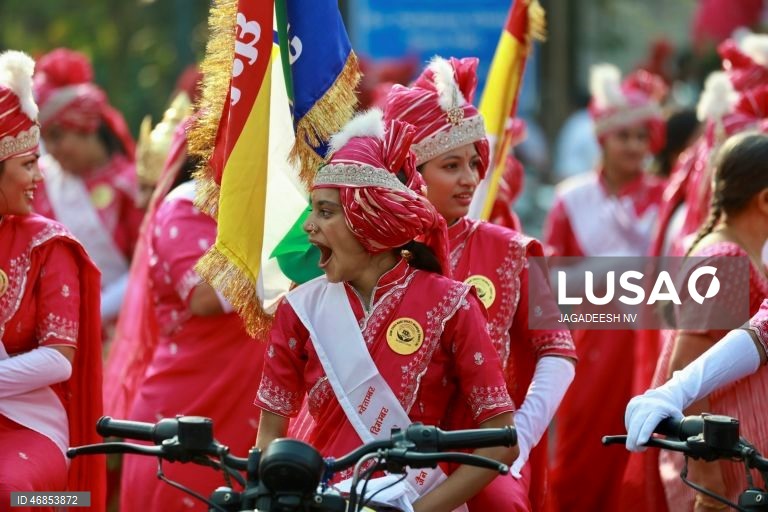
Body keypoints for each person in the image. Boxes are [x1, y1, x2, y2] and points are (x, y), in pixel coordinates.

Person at [254, 109, 518, 512]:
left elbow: (501, 441)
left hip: (418, 500)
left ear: (370, 222)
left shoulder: (452, 305)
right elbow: (269, 435)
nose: (309, 228)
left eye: (325, 212)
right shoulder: (300, 308)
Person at [383, 56, 576, 512]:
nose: (471, 179)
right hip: (374, 436)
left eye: (474, 163)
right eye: (451, 166)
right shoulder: (370, 247)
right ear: (411, 171)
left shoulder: (511, 249)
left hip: (476, 447)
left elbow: (559, 351)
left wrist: (518, 439)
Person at [100, 117, 266, 511]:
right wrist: (279, 249)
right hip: (190, 410)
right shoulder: (187, 206)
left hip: (248, 407)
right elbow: (204, 296)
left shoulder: (262, 206)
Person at [543, 63, 667, 512]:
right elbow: (550, 281)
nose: (634, 146)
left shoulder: (667, 196)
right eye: (624, 136)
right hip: (590, 341)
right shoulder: (571, 198)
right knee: (583, 446)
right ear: (602, 138)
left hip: (650, 341)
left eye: (641, 137)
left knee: (644, 447)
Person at [631, 132, 768, 511]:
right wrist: (708, 479)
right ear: (765, 200)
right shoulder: (725, 260)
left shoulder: (743, 254)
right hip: (724, 468)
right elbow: (684, 366)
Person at [0, 50, 104, 511]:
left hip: (29, 424)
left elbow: (60, 362)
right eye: (26, 165)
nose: (37, 178)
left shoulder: (48, 245)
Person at [30, 48, 144, 328]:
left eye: (57, 136)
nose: (52, 150)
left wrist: (94, 312)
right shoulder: (39, 183)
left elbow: (145, 267)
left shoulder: (130, 186)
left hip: (123, 333)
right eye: (45, 138)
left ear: (86, 126)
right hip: (54, 335)